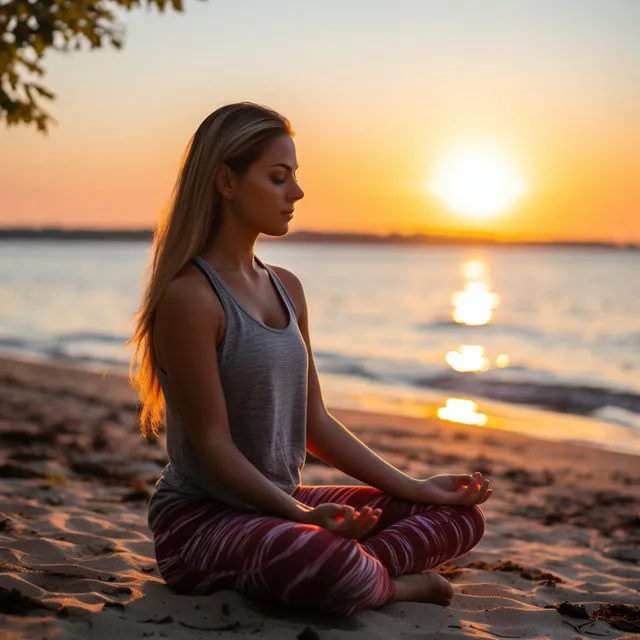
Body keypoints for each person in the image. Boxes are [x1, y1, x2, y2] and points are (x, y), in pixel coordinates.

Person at [129, 102, 492, 616]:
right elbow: (213, 447)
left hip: (282, 505)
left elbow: (314, 422)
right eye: (278, 178)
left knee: (458, 516)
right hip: (201, 523)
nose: (296, 193)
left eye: (294, 177)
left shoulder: (287, 288)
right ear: (226, 183)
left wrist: (415, 486)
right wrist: (303, 515)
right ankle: (393, 583)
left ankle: (357, 569)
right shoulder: (190, 298)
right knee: (325, 558)